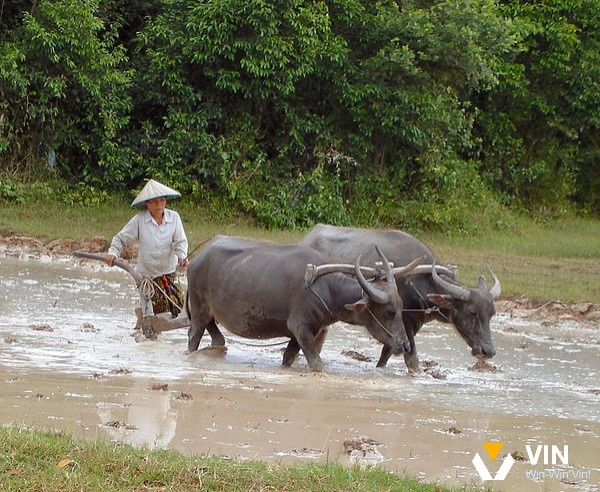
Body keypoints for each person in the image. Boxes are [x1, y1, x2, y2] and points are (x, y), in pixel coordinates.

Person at [105, 179, 189, 319]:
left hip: (168, 273)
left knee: (177, 309)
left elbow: (180, 242)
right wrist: (112, 252)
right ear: (147, 204)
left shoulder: (174, 218)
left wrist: (182, 257)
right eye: (154, 201)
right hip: (147, 277)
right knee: (152, 314)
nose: (159, 205)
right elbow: (120, 238)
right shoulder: (139, 220)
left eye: (162, 200)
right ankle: (146, 327)